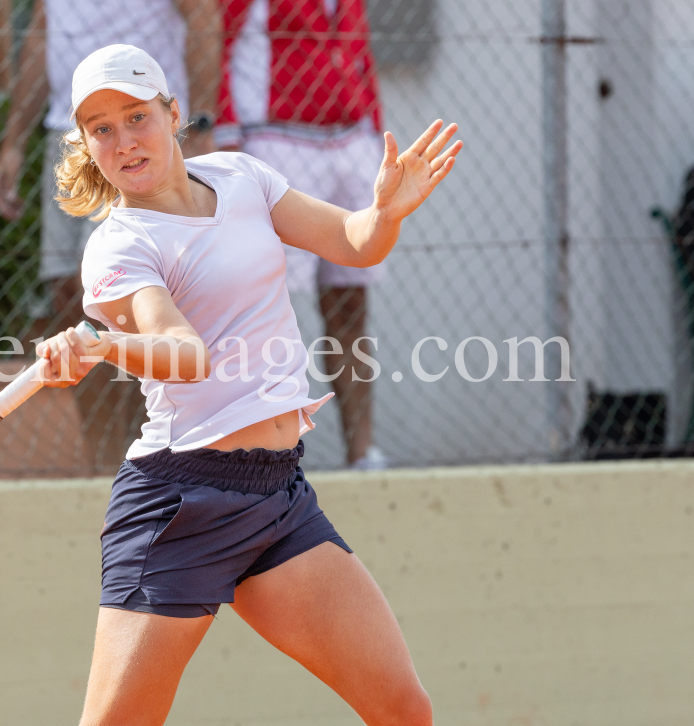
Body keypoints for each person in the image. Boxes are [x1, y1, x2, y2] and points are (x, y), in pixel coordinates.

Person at [33, 45, 460, 724]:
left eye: (137, 116)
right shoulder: (119, 245)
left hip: (277, 496)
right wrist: (104, 343)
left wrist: (385, 213)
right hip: (179, 502)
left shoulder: (241, 177)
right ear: (85, 143)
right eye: (101, 128)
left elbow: (354, 244)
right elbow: (182, 354)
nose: (123, 140)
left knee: (403, 708)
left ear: (173, 115)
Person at [0, 0, 221, 470]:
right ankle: (104, 463)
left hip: (138, 141)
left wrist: (199, 123)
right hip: (73, 137)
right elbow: (41, 34)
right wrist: (13, 140)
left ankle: (154, 452)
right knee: (73, 301)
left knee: (133, 308)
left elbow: (203, 16)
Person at [218, 0, 387, 469]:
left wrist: (374, 130)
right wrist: (229, 141)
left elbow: (360, 55)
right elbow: (221, 46)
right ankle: (265, 452)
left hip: (350, 140)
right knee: (268, 309)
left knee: (350, 302)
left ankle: (363, 453)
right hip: (277, 140)